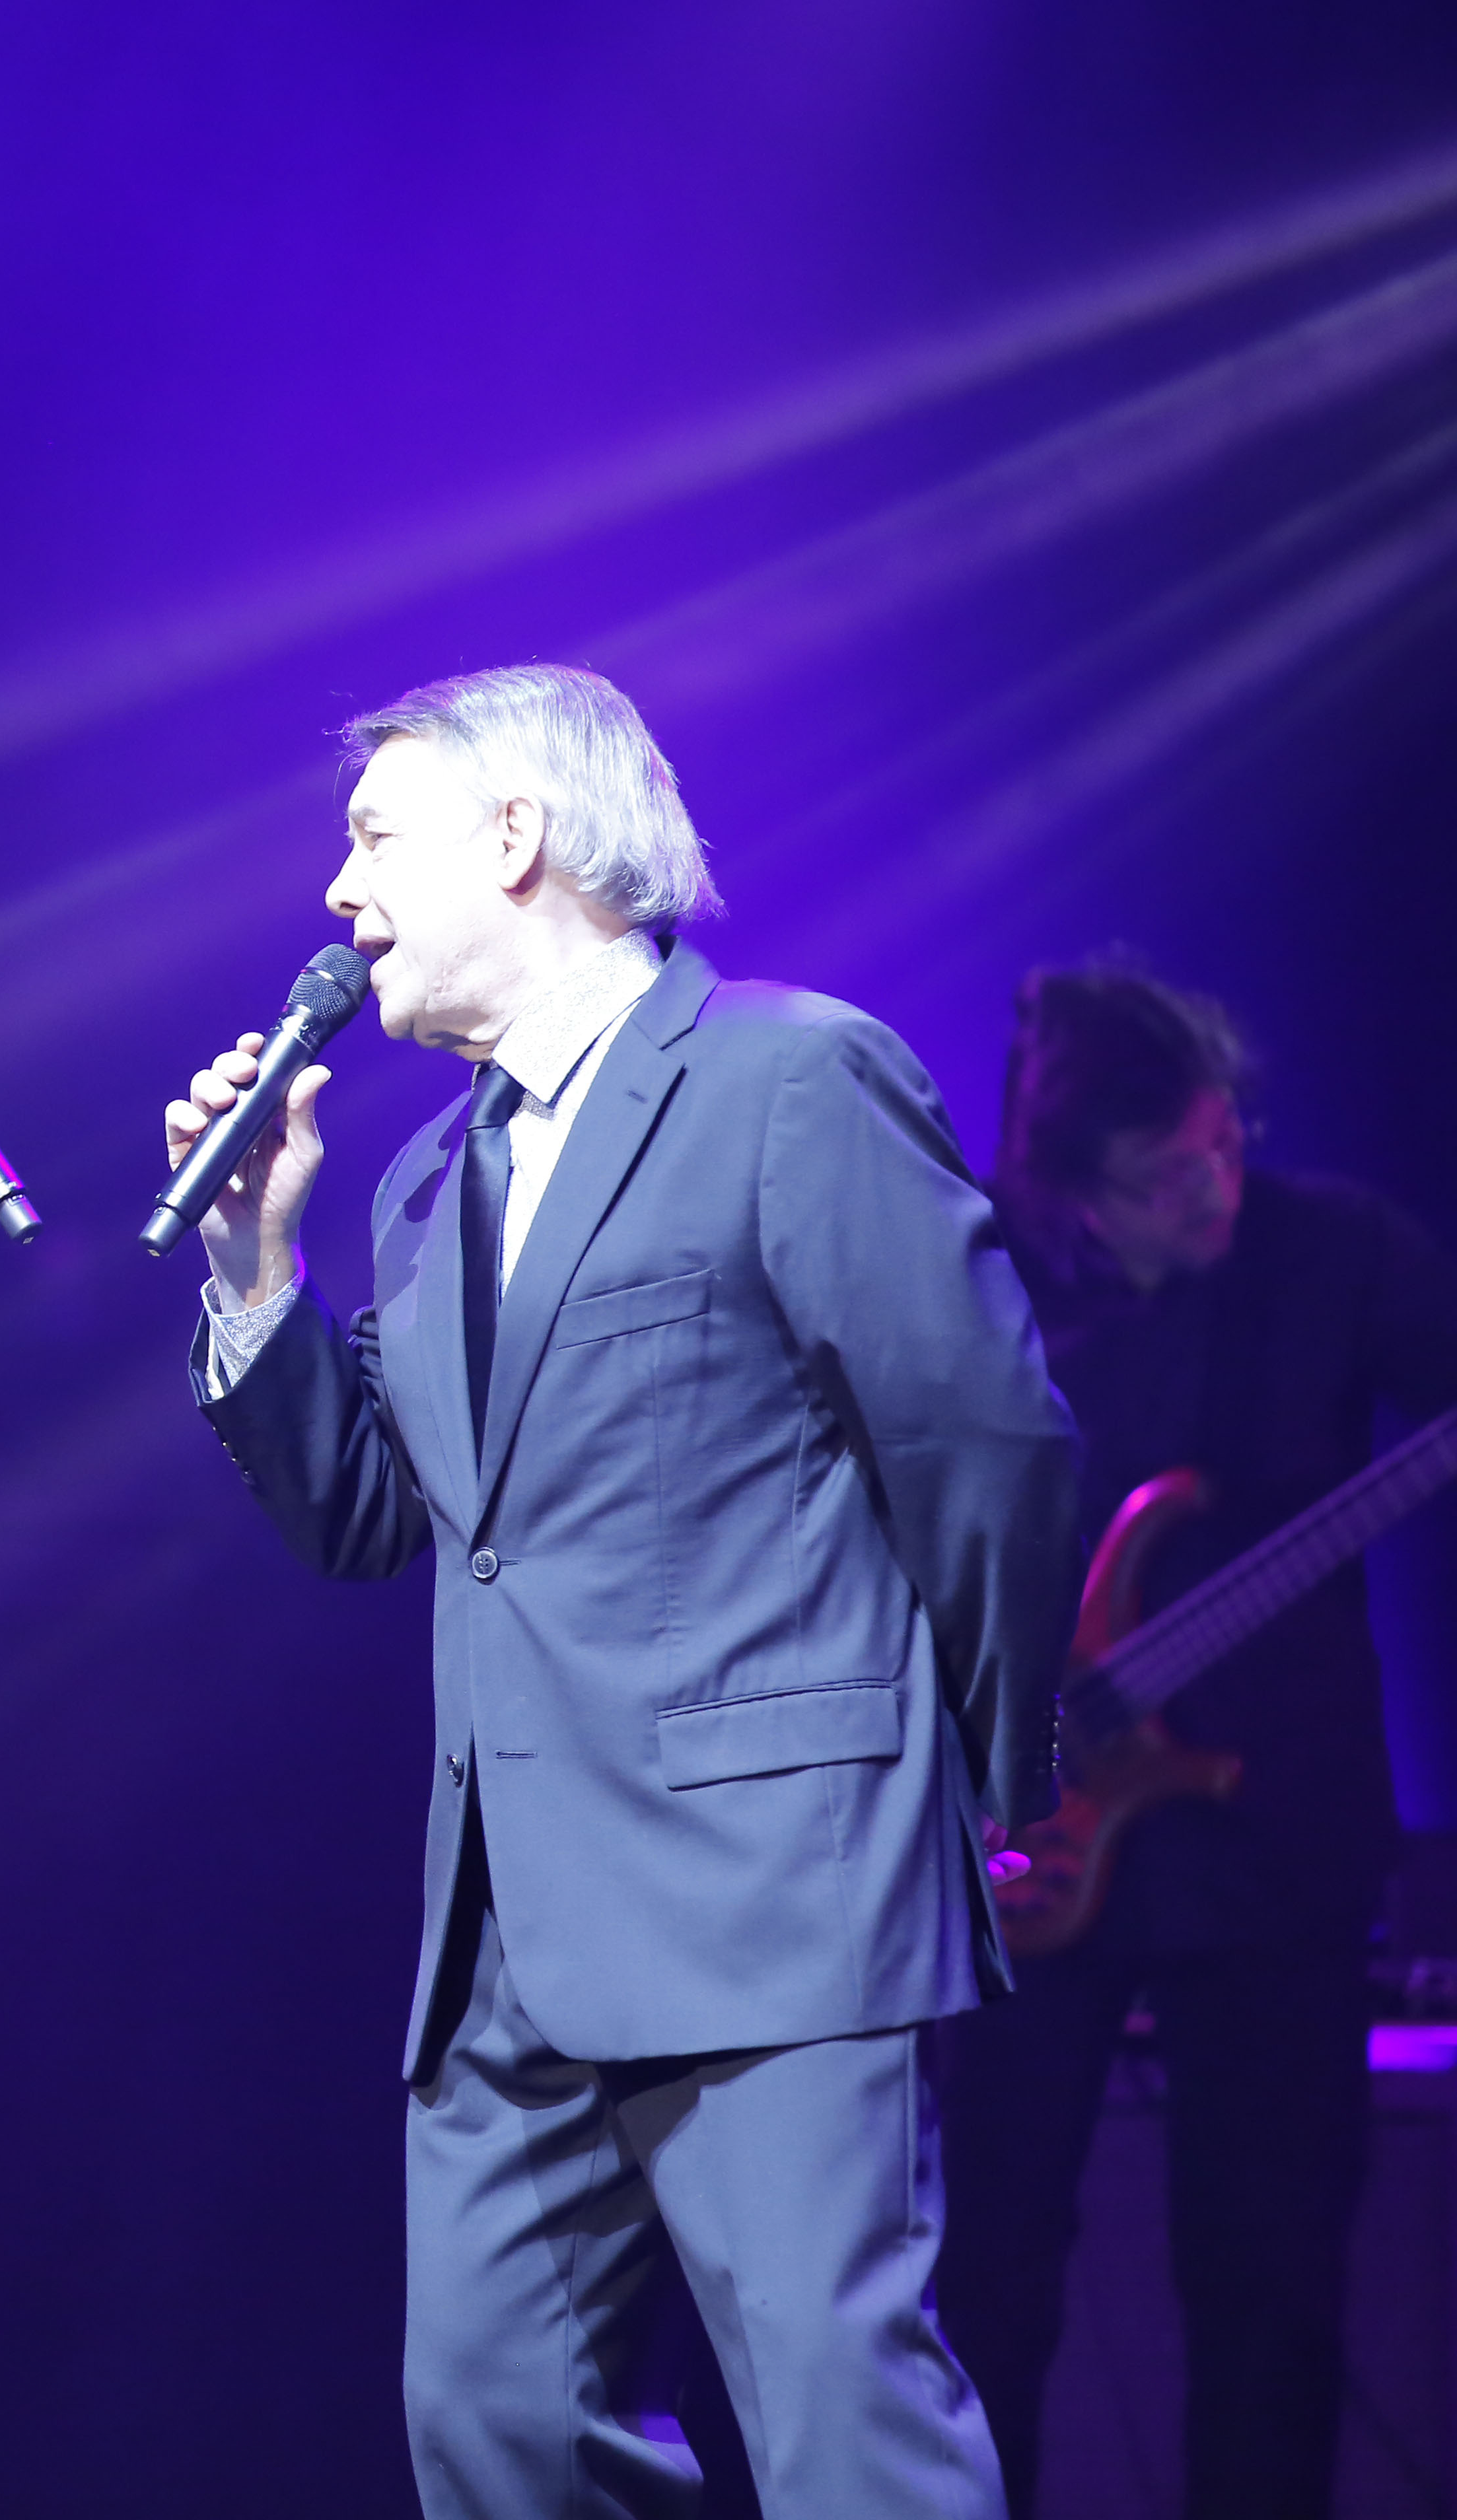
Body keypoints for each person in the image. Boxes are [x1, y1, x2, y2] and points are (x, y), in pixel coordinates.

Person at [167, 664, 1078, 2519]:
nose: (339, 893)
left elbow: (986, 1446)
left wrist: (983, 1780)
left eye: (373, 840)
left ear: (518, 836)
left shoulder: (786, 1076)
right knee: (492, 2423)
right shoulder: (426, 1180)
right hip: (510, 1929)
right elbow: (376, 1520)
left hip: (778, 1884)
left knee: (843, 2430)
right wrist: (255, 1271)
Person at [936, 962, 1457, 2519]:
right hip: (1020, 1846)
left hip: (1276, 1844)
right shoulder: (972, 1281)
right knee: (986, 2284)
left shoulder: (1333, 1253)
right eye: (1164, 1181)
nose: (1212, 1192)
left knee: (1272, 2292)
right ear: (1069, 1192)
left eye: (1223, 1145)